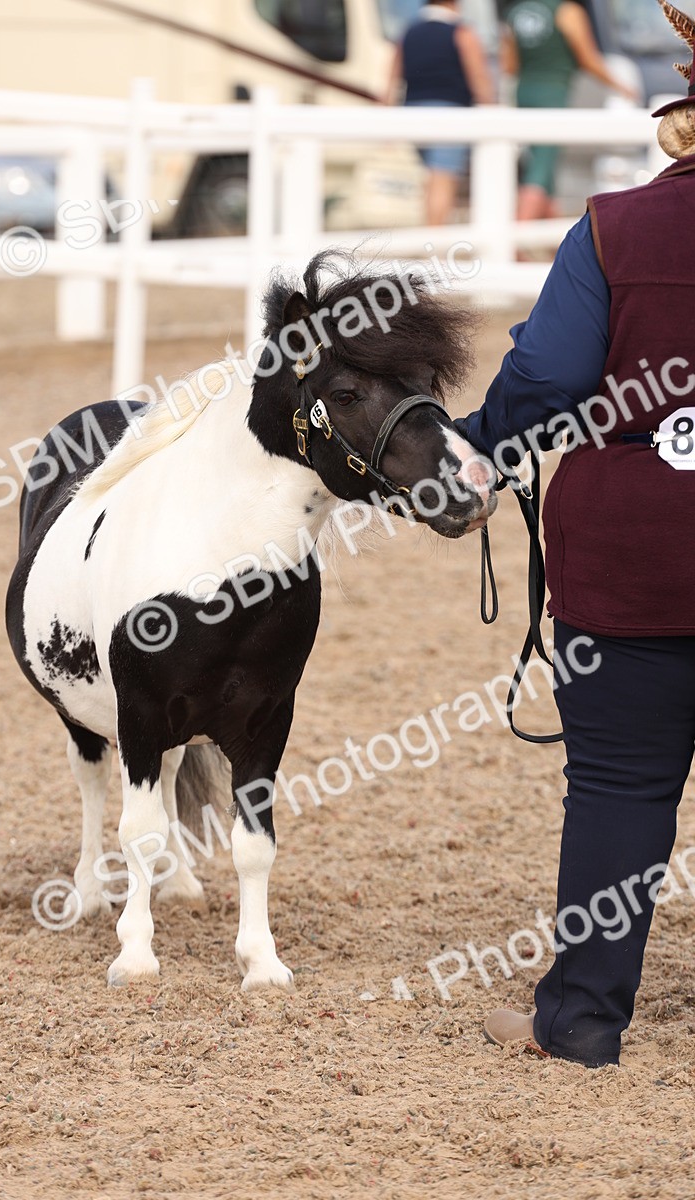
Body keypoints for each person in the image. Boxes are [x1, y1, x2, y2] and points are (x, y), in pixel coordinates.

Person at [455, 0, 695, 1068]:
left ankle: (583, 1020)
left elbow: (548, 377)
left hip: (629, 548)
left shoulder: (611, 228)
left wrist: (478, 442)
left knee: (618, 791)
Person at [502, 0, 639, 221]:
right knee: (540, 169)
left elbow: (509, 65)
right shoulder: (568, 12)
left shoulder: (515, 13)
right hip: (553, 94)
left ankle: (549, 233)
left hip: (524, 92)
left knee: (541, 165)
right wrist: (621, 86)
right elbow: (588, 58)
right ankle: (518, 232)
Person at [385, 0, 495, 225]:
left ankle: (430, 231)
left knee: (427, 180)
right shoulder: (462, 33)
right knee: (442, 179)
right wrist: (492, 111)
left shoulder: (409, 32)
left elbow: (392, 80)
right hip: (450, 115)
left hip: (412, 113)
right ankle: (434, 239)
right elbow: (479, 79)